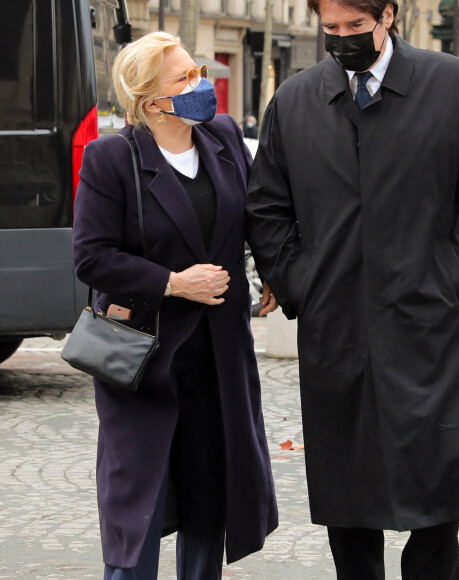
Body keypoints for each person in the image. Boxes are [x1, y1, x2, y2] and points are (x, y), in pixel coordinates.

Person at [245, 1, 459, 579]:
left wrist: (457, 275)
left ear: (387, 15)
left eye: (355, 27)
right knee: (348, 490)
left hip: (430, 323)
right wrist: (300, 283)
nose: (341, 39)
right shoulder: (294, 100)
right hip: (335, 323)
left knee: (436, 483)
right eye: (331, 28)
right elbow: (266, 206)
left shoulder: (450, 83)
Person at [73, 31, 278, 580]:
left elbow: (256, 216)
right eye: (184, 78)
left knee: (210, 496)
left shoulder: (225, 136)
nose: (200, 84)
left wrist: (276, 273)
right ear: (149, 101)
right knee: (138, 500)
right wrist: (171, 282)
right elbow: (91, 258)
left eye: (198, 71)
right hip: (143, 356)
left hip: (219, 354)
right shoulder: (111, 158)